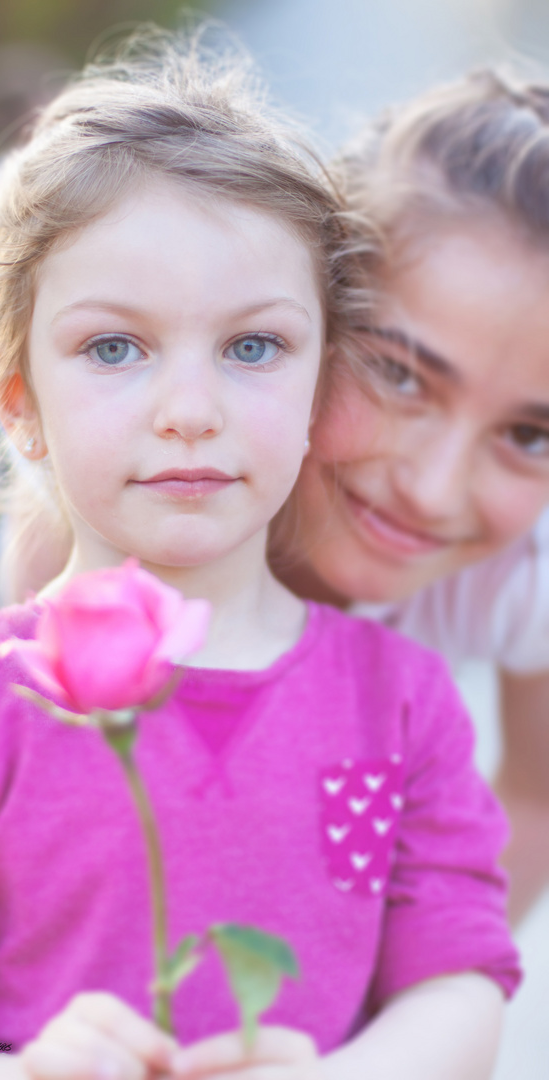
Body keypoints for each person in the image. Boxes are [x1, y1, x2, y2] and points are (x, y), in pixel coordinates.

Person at [0, 29, 519, 1080]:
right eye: (115, 347)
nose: (190, 411)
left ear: (320, 388)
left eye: (254, 347)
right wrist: (13, 1076)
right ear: (21, 405)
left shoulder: (406, 703)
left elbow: (457, 983)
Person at [276, 69, 549, 925]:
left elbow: (534, 800)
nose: (433, 492)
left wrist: (409, 1007)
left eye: (530, 436)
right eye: (398, 374)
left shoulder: (521, 576)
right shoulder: (122, 519)